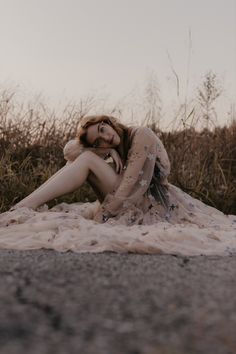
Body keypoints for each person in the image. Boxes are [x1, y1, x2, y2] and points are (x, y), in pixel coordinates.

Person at [8, 114, 233, 227]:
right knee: (80, 158)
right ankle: (25, 204)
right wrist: (107, 152)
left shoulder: (141, 135)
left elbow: (130, 183)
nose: (106, 137)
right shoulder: (112, 145)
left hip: (145, 200)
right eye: (99, 140)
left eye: (103, 129)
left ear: (108, 121)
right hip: (130, 192)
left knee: (86, 158)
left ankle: (24, 205)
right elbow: (69, 152)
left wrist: (103, 216)